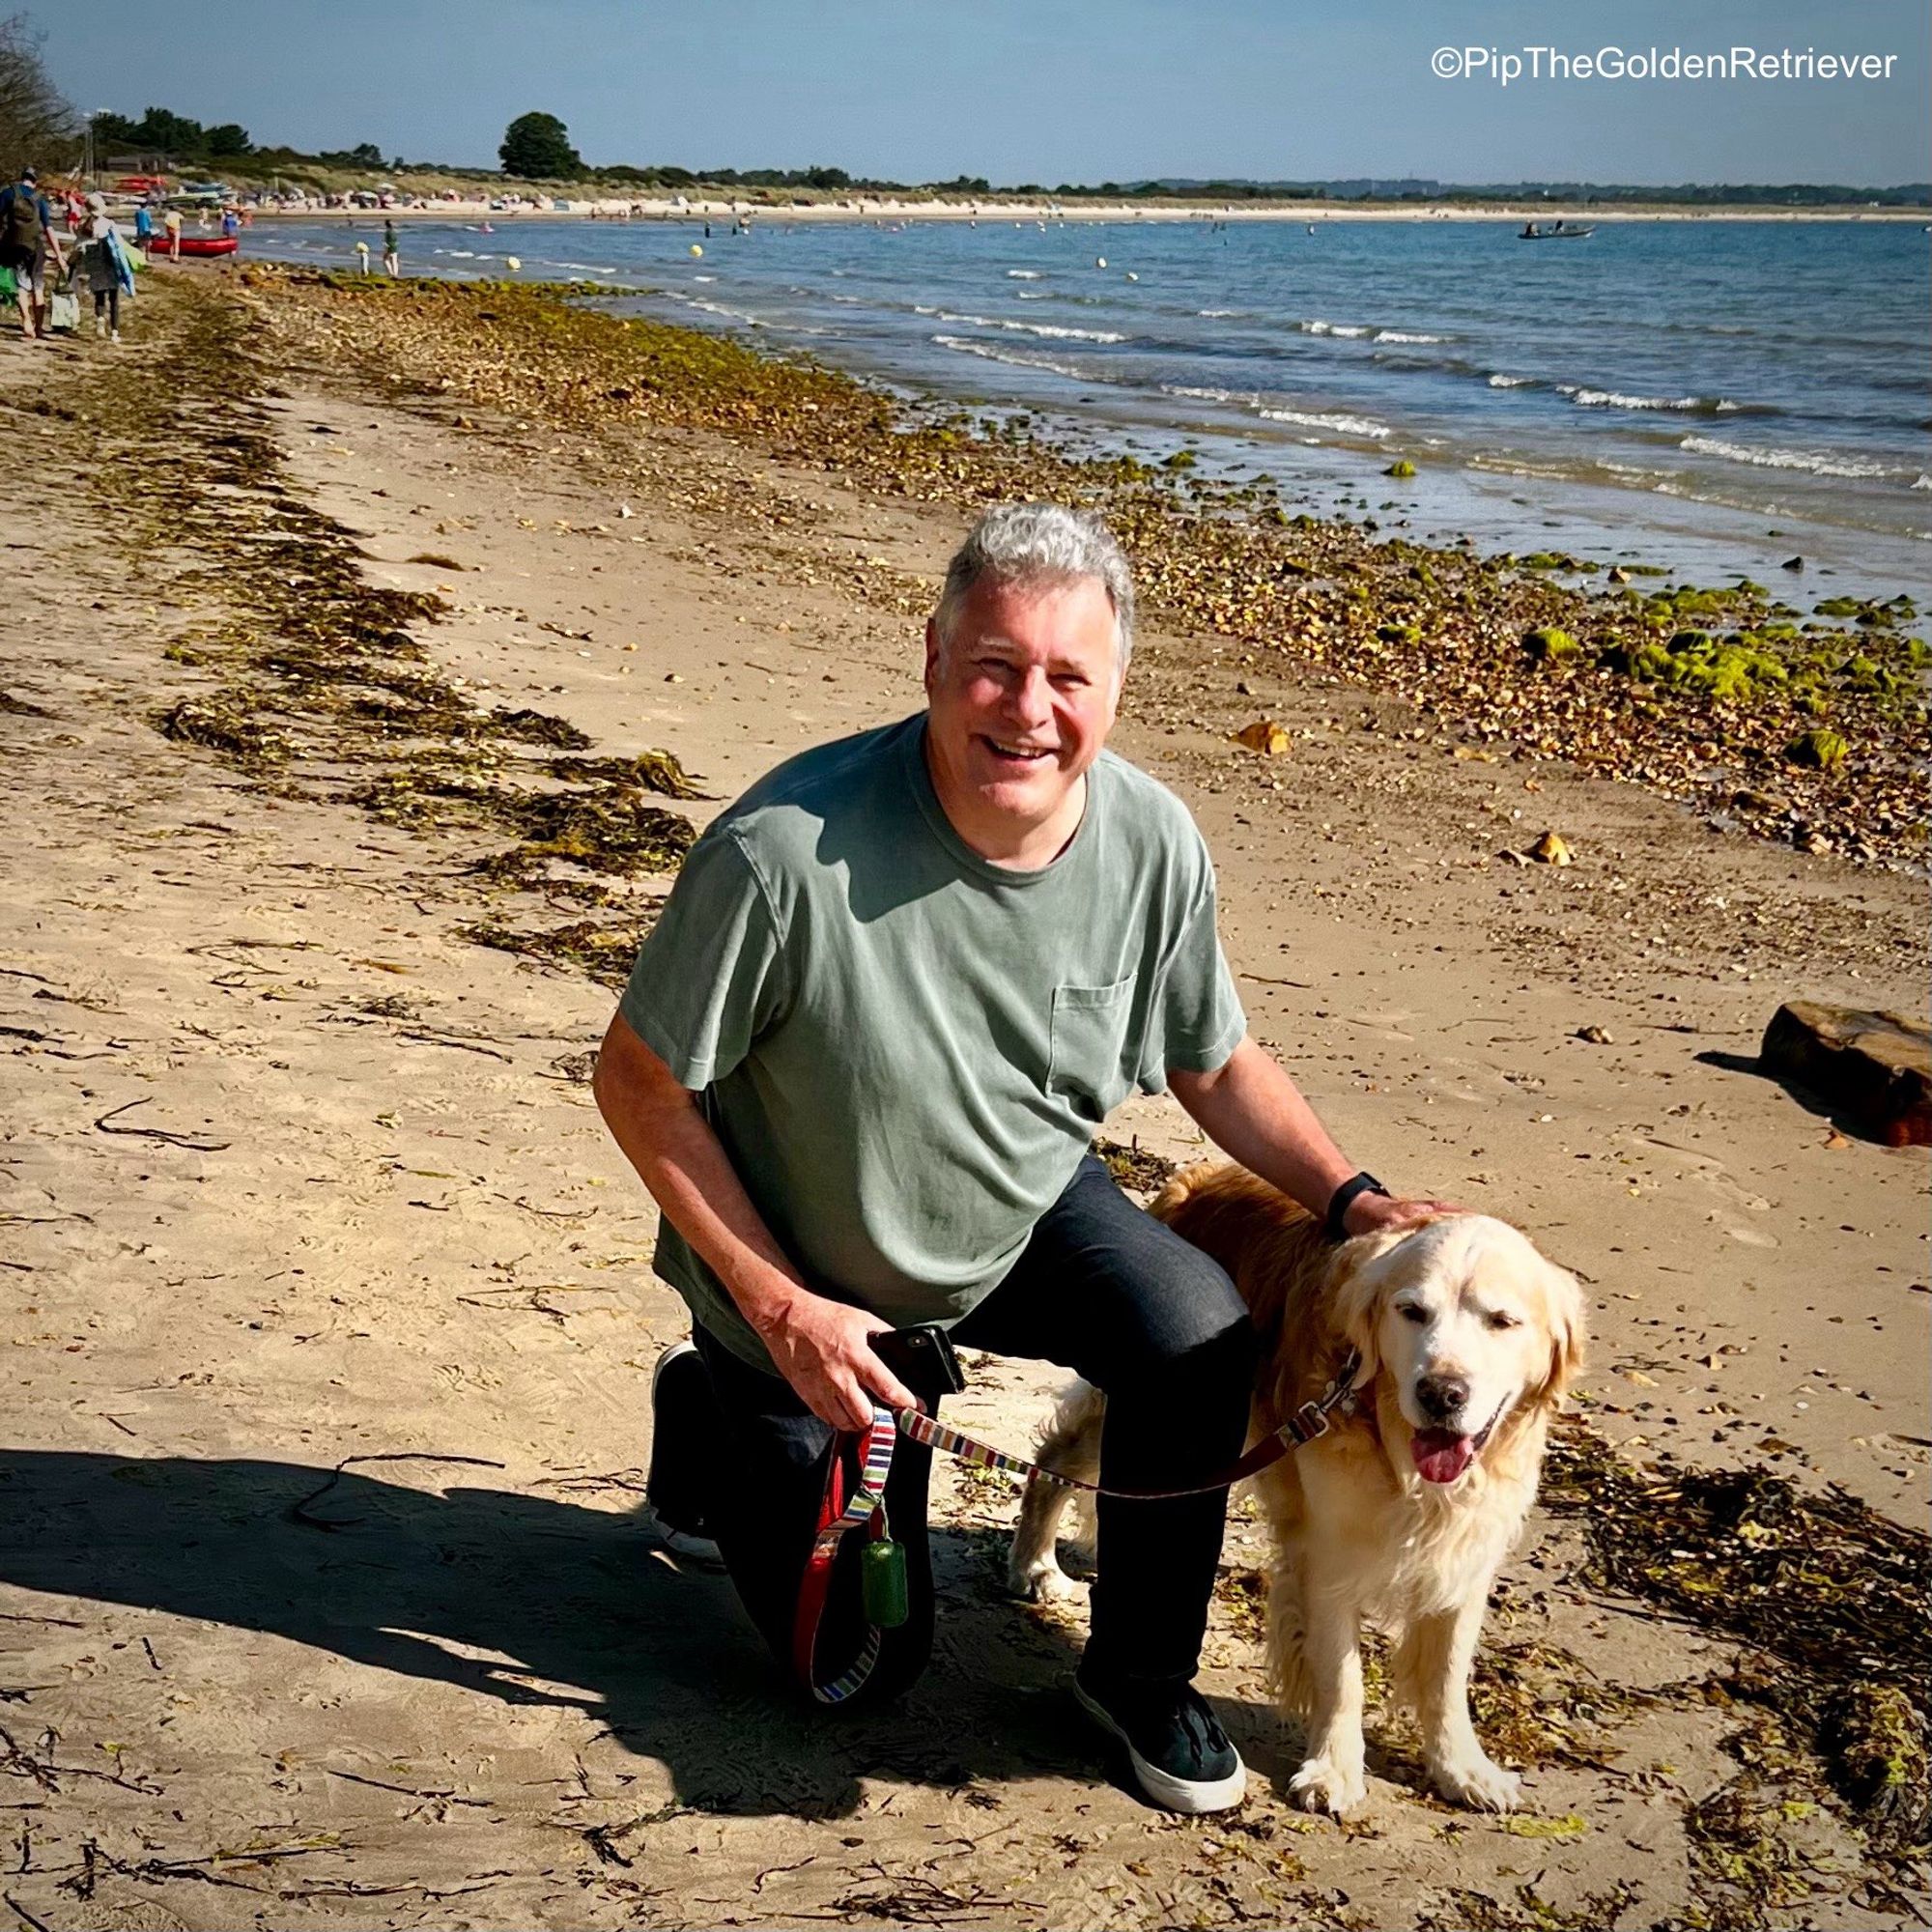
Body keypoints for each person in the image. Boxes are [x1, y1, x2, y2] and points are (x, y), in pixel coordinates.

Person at [594, 504, 1438, 1814]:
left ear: (1114, 691)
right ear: (931, 656)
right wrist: (780, 1308)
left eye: (1066, 676)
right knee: (858, 1674)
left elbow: (1211, 1061)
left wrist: (1352, 1196)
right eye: (993, 664)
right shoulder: (780, 854)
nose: (1026, 708)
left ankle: (1140, 1675)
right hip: (808, 1279)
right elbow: (638, 1083)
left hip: (1017, 1211)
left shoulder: (1153, 842)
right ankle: (716, 1411)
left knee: (1196, 1331)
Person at [0, 166, 65, 341]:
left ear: (22, 177)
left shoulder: (7, 193)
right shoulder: (39, 199)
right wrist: (58, 255)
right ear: (35, 181)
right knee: (38, 287)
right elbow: (49, 229)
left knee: (21, 286)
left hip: (13, 246)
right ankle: (39, 328)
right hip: (35, 248)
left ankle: (26, 322)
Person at [69, 193, 134, 341]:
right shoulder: (109, 224)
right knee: (114, 298)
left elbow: (78, 247)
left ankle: (100, 320)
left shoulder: (83, 226)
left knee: (99, 296)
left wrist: (73, 264)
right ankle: (115, 333)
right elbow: (119, 246)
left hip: (94, 264)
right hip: (110, 264)